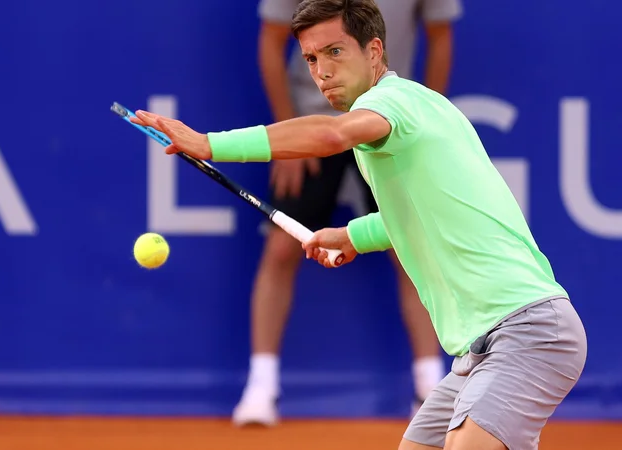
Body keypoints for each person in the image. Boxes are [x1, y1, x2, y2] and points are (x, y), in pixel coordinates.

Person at [130, 0, 588, 448]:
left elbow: (329, 136)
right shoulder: (417, 112)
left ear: (373, 51)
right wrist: (352, 236)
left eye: (335, 52)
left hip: (528, 331)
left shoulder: (395, 103)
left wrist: (209, 143)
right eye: (311, 58)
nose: (322, 71)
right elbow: (419, 214)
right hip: (477, 351)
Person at [236, 0, 462, 426]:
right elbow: (270, 40)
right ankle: (261, 386)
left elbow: (440, 38)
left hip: (386, 121)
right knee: (283, 249)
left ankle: (430, 386)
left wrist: (422, 117)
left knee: (410, 250)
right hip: (310, 122)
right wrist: (286, 132)